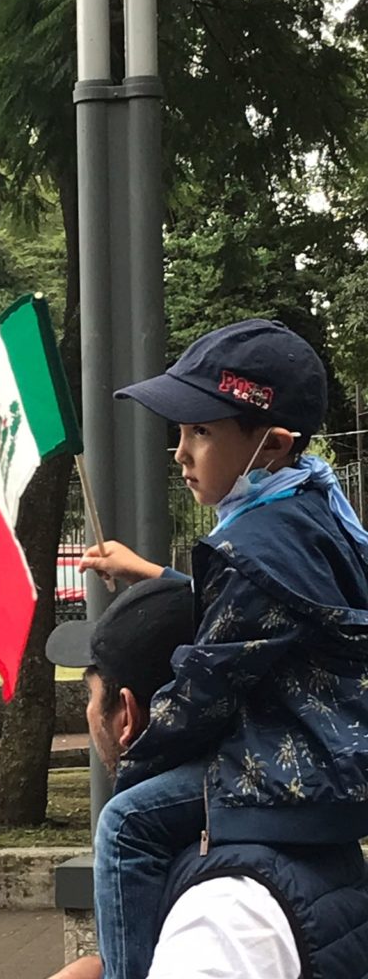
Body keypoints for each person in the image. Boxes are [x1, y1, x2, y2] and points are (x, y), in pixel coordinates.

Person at [76, 319, 368, 979]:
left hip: (299, 769)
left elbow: (202, 688)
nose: (180, 453)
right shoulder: (313, 507)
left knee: (126, 824)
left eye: (202, 432)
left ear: (272, 445)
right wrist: (152, 573)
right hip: (337, 758)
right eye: (180, 431)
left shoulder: (256, 546)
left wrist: (136, 757)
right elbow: (271, 613)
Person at [46, 576, 368, 979]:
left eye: (90, 696)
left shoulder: (217, 921)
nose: (89, 712)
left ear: (126, 715)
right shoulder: (308, 840)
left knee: (121, 822)